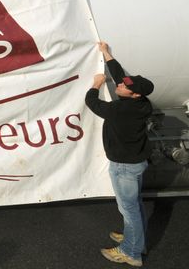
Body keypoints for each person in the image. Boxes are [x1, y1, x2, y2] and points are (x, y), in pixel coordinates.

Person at [85, 41, 154, 267]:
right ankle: (135, 240)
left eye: (126, 87)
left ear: (133, 95)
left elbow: (92, 103)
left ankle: (131, 253)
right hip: (136, 163)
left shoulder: (120, 110)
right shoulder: (143, 104)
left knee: (129, 208)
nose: (121, 85)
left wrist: (96, 84)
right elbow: (119, 76)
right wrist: (105, 53)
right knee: (134, 205)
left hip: (124, 166)